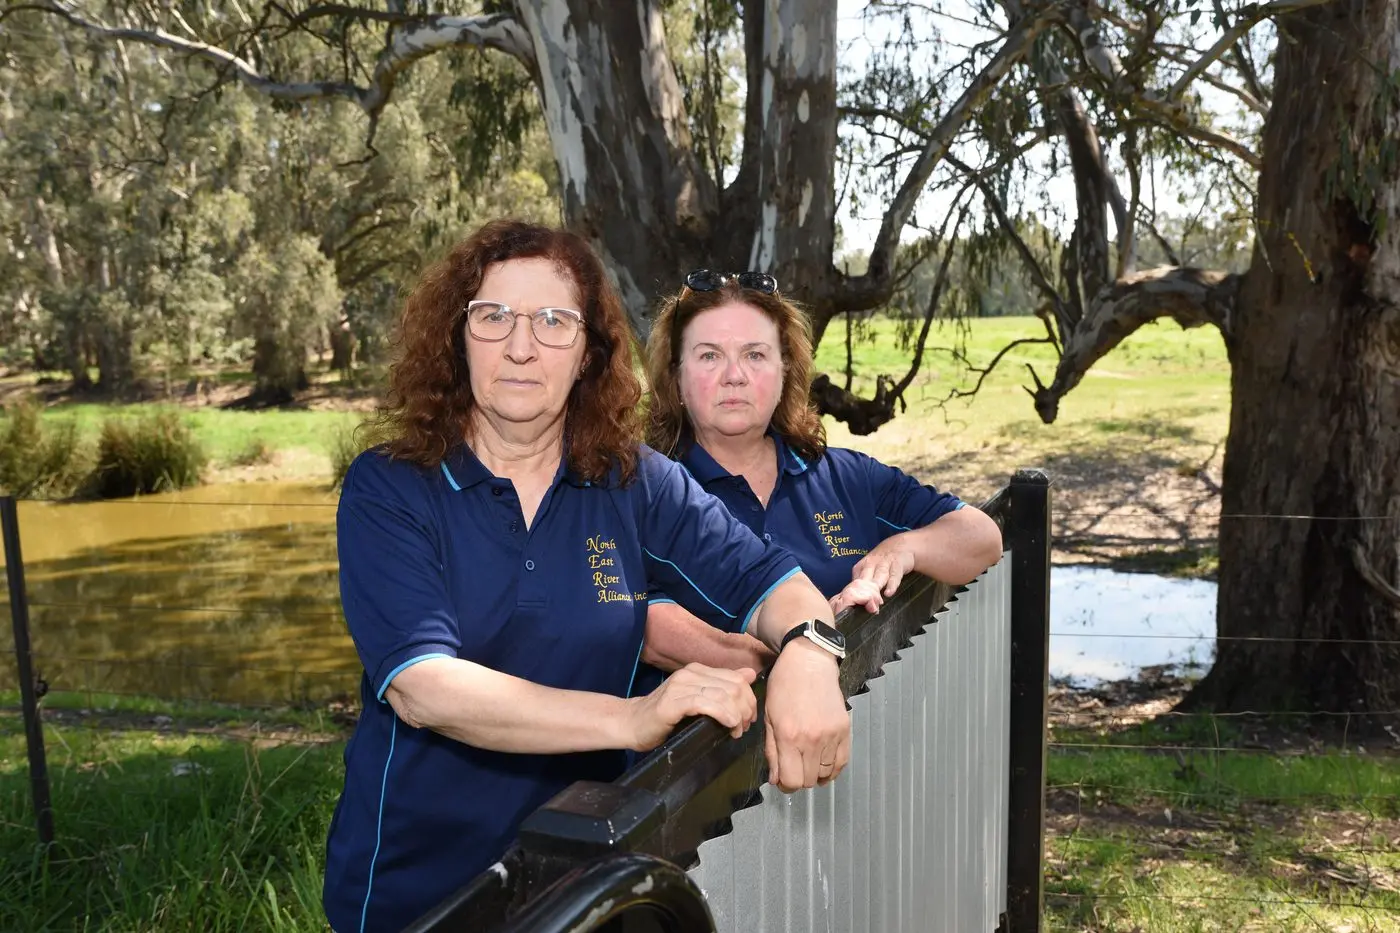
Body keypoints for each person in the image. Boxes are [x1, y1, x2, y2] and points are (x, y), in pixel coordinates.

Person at [324, 227, 851, 933]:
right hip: (419, 893)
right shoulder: (392, 489)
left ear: (587, 354)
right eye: (493, 317)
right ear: (458, 339)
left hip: (584, 886)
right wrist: (632, 716)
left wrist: (811, 653)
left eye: (553, 322)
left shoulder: (633, 483)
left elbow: (770, 578)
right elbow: (425, 687)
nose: (520, 346)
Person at [636, 269, 1004, 684]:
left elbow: (982, 537)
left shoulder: (846, 477)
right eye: (709, 356)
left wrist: (902, 549)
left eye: (755, 355)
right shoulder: (644, 492)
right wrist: (810, 642)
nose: (734, 375)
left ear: (786, 370)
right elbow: (650, 628)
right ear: (676, 377)